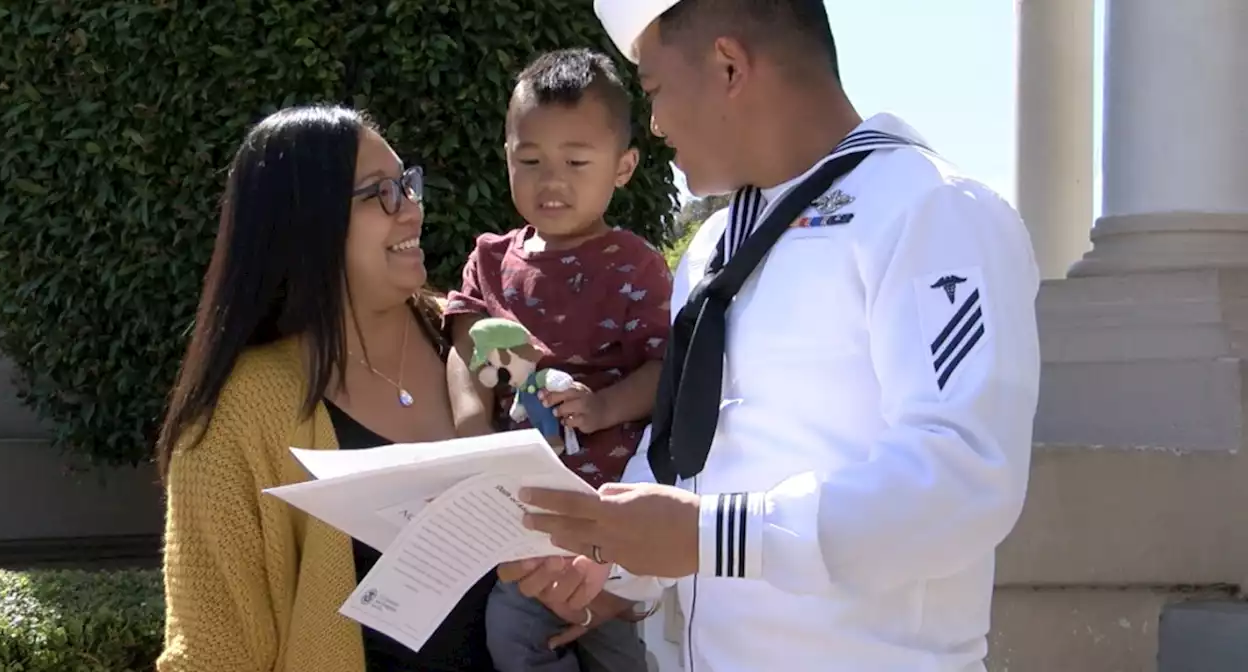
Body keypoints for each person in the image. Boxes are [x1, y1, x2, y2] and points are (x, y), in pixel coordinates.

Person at [501, 1, 1042, 671]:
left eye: (657, 92)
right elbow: (684, 453)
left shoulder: (932, 209)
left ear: (729, 66)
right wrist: (606, 556)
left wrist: (709, 536)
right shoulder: (709, 250)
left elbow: (964, 478)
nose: (658, 124)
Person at [156, 105, 496, 672]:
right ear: (305, 220)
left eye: (407, 185)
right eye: (379, 193)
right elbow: (213, 652)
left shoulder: (475, 340)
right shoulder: (237, 414)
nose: (410, 210)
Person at [444, 48, 670, 672]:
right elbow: (464, 336)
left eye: (576, 161)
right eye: (531, 160)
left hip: (613, 523)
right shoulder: (491, 260)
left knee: (626, 653)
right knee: (513, 634)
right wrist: (471, 431)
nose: (552, 181)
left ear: (623, 167)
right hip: (524, 518)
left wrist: (601, 407)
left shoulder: (635, 265)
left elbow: (664, 370)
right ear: (506, 157)